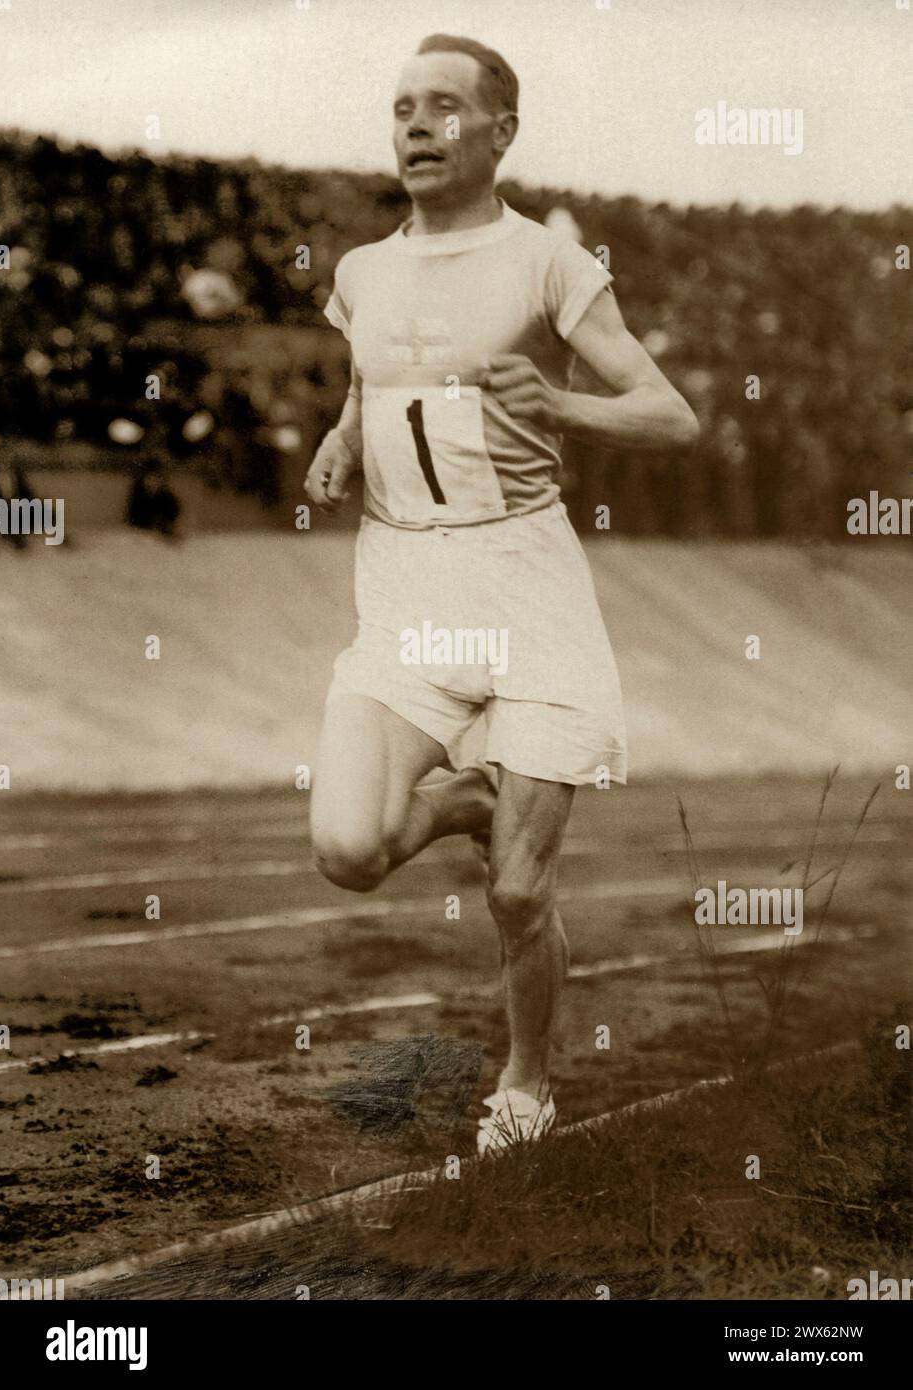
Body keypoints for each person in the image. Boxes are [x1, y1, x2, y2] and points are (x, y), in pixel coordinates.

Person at [304, 34, 698, 1154]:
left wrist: (561, 406)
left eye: (442, 108)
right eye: (401, 109)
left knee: (519, 895)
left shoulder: (548, 266)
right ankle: (474, 798)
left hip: (523, 582)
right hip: (403, 581)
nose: (416, 127)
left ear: (499, 131)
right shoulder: (362, 271)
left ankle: (524, 1082)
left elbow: (670, 414)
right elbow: (366, 382)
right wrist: (341, 444)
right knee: (345, 848)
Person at [126, 460, 182, 538]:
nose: (153, 481)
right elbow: (134, 519)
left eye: (157, 478)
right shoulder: (138, 495)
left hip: (160, 535)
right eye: (150, 478)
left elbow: (173, 514)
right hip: (141, 534)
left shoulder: (167, 497)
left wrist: (165, 525)